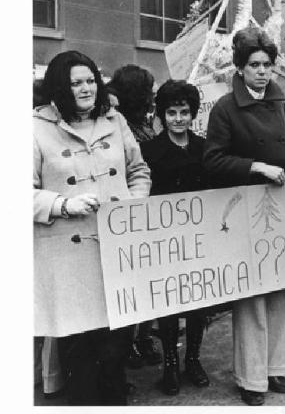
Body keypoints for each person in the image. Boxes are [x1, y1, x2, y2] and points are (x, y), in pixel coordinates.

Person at [34, 50, 151, 405]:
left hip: (117, 251)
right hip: (67, 258)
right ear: (58, 87)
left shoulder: (115, 122)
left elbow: (139, 171)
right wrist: (62, 204)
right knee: (80, 353)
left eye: (90, 81)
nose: (85, 89)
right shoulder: (34, 128)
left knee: (116, 347)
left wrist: (134, 201)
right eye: (75, 83)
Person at [204, 27, 285, 406]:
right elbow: (213, 160)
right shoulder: (225, 108)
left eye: (268, 64)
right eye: (254, 65)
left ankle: (276, 367)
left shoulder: (281, 102)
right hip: (247, 206)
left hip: (281, 202)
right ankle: (252, 378)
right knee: (252, 292)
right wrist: (257, 168)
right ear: (240, 67)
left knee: (282, 285)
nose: (263, 72)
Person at [140, 80, 210, 396]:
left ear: (193, 113)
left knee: (198, 301)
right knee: (169, 303)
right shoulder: (151, 150)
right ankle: (169, 364)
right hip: (165, 240)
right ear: (162, 114)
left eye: (184, 112)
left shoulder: (203, 147)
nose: (178, 118)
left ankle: (192, 360)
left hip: (198, 239)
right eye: (171, 112)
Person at [107, 65, 162, 368]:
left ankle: (142, 337)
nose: (152, 93)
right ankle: (128, 343)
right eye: (148, 88)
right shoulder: (118, 124)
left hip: (149, 210)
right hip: (129, 212)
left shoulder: (142, 121)